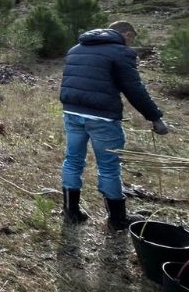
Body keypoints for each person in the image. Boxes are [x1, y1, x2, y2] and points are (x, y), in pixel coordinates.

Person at [59, 20, 168, 230]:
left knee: (72, 160)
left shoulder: (76, 49)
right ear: (126, 34)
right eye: (131, 39)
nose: (130, 43)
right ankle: (117, 220)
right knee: (109, 167)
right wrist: (155, 117)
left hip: (71, 111)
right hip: (102, 118)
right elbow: (134, 89)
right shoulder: (120, 52)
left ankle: (71, 212)